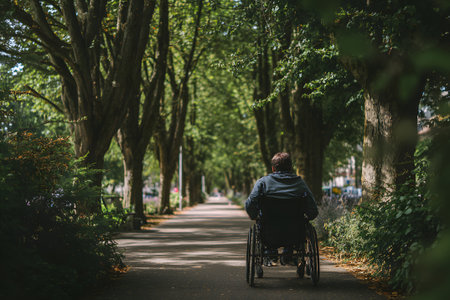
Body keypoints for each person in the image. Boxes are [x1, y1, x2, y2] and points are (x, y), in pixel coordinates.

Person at [245, 152, 318, 265]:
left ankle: (270, 252)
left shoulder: (263, 182)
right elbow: (313, 208)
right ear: (290, 168)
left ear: (273, 168)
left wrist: (254, 215)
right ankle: (288, 253)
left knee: (264, 223)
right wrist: (309, 217)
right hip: (295, 232)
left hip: (269, 231)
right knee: (295, 228)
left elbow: (250, 204)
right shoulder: (300, 183)